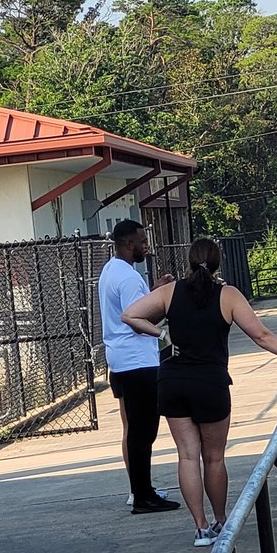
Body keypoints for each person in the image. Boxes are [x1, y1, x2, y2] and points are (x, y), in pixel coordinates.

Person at [122, 238, 277, 546]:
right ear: (217, 263)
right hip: (210, 383)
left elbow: (130, 315)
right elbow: (261, 335)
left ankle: (200, 527)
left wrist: (162, 332)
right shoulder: (228, 295)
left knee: (186, 455)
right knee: (213, 458)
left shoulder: (169, 293)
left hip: (172, 381)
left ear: (188, 261)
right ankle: (221, 520)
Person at [99, 220, 180, 515]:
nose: (146, 246)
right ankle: (144, 496)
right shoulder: (130, 278)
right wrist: (164, 301)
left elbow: (130, 310)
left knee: (133, 428)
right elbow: (138, 322)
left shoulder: (110, 270)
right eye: (142, 241)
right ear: (128, 244)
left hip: (119, 360)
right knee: (144, 431)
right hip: (138, 362)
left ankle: (140, 491)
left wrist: (154, 291)